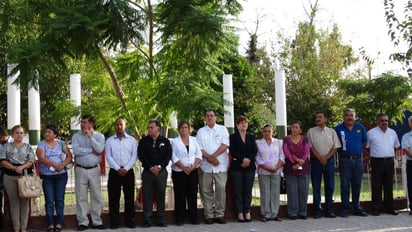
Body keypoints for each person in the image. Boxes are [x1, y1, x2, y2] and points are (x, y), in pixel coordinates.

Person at [36, 124, 73, 232]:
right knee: (49, 200)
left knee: (59, 199)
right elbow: (41, 158)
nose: (46, 134)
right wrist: (54, 165)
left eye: (49, 132)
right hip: (47, 176)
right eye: (46, 132)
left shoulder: (61, 143)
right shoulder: (41, 144)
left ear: (55, 134)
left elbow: (69, 156)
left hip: (61, 175)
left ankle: (59, 223)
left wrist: (61, 165)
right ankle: (50, 223)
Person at [72, 115, 106, 231]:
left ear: (91, 124)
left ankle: (97, 221)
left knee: (96, 196)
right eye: (81, 122)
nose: (82, 124)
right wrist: (91, 150)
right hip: (80, 169)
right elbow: (76, 151)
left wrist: (91, 138)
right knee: (81, 196)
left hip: (94, 170)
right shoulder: (76, 136)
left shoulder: (99, 136)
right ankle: (83, 222)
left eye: (84, 122)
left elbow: (100, 150)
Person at [196, 109, 230, 224]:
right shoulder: (201, 131)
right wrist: (210, 158)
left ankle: (220, 215)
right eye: (207, 116)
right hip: (205, 166)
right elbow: (199, 148)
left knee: (220, 189)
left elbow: (225, 145)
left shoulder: (222, 129)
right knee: (206, 191)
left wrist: (213, 156)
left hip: (220, 166)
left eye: (212, 115)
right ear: (205, 118)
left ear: (215, 118)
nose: (209, 117)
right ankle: (209, 215)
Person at [0, 125, 35, 232]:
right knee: (14, 203)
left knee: (25, 203)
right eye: (17, 133)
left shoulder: (28, 147)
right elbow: (2, 161)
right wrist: (14, 168)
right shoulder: (6, 146)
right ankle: (16, 228)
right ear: (12, 135)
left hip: (25, 177)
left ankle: (23, 228)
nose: (19, 135)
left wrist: (22, 167)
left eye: (21, 133)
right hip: (10, 177)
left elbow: (31, 161)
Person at [307, 110, 341, 218]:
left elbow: (335, 147)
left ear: (325, 119)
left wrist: (326, 157)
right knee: (316, 186)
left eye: (320, 117)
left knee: (329, 186)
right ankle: (317, 211)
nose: (318, 119)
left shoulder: (332, 132)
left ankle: (329, 210)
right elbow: (310, 147)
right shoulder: (311, 131)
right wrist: (319, 157)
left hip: (329, 161)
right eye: (316, 117)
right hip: (316, 162)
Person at [335, 108, 368, 217]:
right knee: (345, 185)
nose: (349, 117)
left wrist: (356, 150)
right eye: (347, 115)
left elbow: (364, 142)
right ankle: (345, 209)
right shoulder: (338, 129)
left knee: (357, 184)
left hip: (358, 160)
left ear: (354, 117)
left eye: (351, 115)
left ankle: (357, 208)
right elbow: (335, 144)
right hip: (345, 160)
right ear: (343, 117)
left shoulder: (360, 127)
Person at [138, 119, 172, 228]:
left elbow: (168, 156)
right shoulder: (143, 141)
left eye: (151, 127)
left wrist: (159, 167)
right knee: (147, 195)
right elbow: (141, 156)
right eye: (148, 127)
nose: (149, 129)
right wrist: (150, 167)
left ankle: (161, 219)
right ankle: (147, 219)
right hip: (148, 172)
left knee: (160, 195)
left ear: (158, 129)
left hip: (161, 172)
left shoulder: (165, 141)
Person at [105, 118, 138, 229]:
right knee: (114, 198)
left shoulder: (132, 140)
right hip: (115, 172)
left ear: (125, 126)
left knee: (129, 197)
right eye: (117, 125)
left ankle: (130, 221)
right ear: (114, 126)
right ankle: (114, 222)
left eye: (121, 125)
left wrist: (126, 168)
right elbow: (108, 156)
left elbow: (134, 156)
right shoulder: (109, 141)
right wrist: (118, 168)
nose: (119, 127)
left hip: (128, 172)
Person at [366, 113, 400, 216]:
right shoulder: (371, 133)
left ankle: (390, 208)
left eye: (386, 120)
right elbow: (366, 146)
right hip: (377, 161)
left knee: (389, 185)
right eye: (382, 120)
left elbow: (396, 146)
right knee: (376, 185)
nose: (384, 122)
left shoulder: (393, 132)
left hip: (389, 161)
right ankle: (376, 208)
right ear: (377, 122)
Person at [171, 120, 202, 226]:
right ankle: (179, 219)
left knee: (192, 195)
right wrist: (183, 167)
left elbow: (199, 154)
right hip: (179, 172)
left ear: (189, 129)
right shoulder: (175, 141)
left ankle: (194, 218)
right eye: (182, 128)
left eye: (185, 127)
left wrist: (193, 167)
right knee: (180, 196)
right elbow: (173, 156)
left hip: (192, 171)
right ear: (179, 130)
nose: (184, 129)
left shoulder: (194, 140)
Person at [229, 116, 257, 223]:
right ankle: (240, 212)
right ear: (237, 125)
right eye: (241, 123)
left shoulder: (251, 136)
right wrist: (242, 159)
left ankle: (247, 211)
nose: (243, 124)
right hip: (237, 166)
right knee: (238, 191)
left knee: (247, 190)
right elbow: (232, 150)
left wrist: (248, 159)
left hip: (249, 167)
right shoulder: (233, 137)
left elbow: (254, 150)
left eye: (245, 123)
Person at [256, 124, 284, 222]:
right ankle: (266, 214)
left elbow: (282, 156)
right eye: (265, 131)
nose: (267, 133)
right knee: (265, 193)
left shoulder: (278, 142)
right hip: (263, 171)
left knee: (275, 193)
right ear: (262, 132)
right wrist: (267, 168)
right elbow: (257, 158)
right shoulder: (258, 143)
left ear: (273, 132)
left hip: (276, 171)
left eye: (269, 131)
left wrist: (276, 167)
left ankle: (274, 214)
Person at [283, 121, 310, 220]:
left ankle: (303, 212)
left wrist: (301, 161)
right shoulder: (286, 139)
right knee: (292, 191)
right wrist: (296, 161)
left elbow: (307, 151)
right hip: (291, 167)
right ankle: (293, 213)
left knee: (304, 190)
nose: (294, 129)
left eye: (296, 127)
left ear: (300, 130)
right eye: (293, 127)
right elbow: (286, 151)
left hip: (304, 167)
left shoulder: (305, 139)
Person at [0, 127, 13, 230]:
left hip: (11, 174)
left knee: (11, 200)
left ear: (5, 136)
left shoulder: (13, 142)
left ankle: (12, 224)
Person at [401, 115, 412, 215]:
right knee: (411, 185)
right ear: (409, 124)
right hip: (411, 163)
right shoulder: (406, 136)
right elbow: (406, 149)